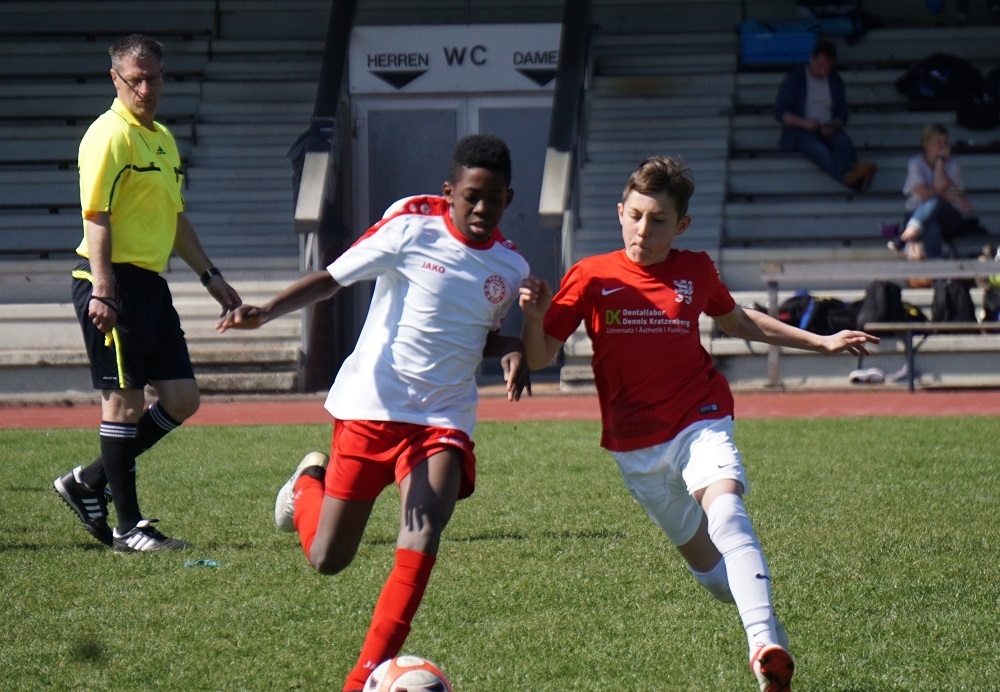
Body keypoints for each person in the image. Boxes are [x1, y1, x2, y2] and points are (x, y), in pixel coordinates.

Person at [518, 156, 879, 692]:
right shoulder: (590, 275)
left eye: (658, 220)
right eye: (636, 216)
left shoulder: (695, 271)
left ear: (681, 225)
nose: (644, 230)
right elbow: (541, 355)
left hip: (699, 417)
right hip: (635, 447)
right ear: (620, 212)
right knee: (714, 578)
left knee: (727, 512)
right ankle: (771, 645)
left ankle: (761, 644)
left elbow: (738, 320)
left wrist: (820, 341)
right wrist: (532, 317)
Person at [217, 134, 530, 692]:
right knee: (327, 558)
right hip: (372, 406)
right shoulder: (410, 228)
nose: (482, 208)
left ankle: (362, 679)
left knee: (423, 530)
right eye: (471, 197)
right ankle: (306, 484)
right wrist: (267, 311)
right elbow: (332, 278)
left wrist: (510, 347)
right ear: (450, 192)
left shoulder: (510, 268)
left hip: (442, 418)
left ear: (510, 197)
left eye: (494, 198)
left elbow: (468, 336)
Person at [53, 34, 242, 553]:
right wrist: (105, 289)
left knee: (181, 400)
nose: (146, 88)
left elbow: (175, 218)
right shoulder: (108, 135)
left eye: (153, 77)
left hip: (150, 285)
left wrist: (211, 277)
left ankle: (88, 481)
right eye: (135, 79)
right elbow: (96, 216)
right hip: (111, 282)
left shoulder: (161, 138)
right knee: (124, 402)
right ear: (115, 79)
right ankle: (127, 528)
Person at [774, 40, 876, 191]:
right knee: (820, 151)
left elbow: (842, 115)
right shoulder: (796, 77)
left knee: (843, 142)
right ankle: (852, 179)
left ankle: (854, 175)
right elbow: (780, 112)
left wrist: (833, 125)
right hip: (800, 130)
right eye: (819, 66)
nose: (822, 71)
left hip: (826, 126)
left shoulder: (835, 80)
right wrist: (804, 122)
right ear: (811, 59)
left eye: (826, 67)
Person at [889, 123, 977, 259]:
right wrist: (950, 196)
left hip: (949, 218)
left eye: (945, 142)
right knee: (931, 222)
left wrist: (940, 161)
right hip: (916, 213)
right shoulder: (915, 163)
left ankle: (904, 237)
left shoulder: (953, 164)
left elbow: (939, 185)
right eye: (938, 143)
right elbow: (924, 193)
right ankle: (935, 263)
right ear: (926, 144)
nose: (943, 147)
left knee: (936, 201)